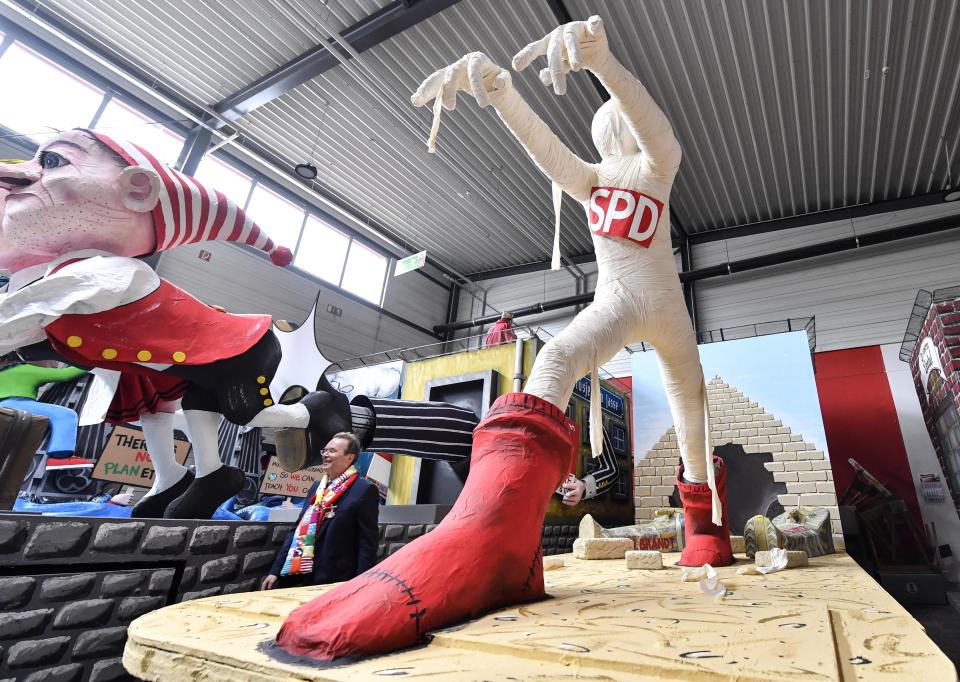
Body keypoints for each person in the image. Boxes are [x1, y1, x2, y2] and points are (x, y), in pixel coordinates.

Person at [275, 15, 732, 662]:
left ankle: (704, 524)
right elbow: (545, 148)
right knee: (558, 357)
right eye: (611, 123)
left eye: (616, 123)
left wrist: (603, 61)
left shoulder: (658, 166)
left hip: (663, 307)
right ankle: (495, 534)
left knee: (691, 412)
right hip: (621, 302)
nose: (615, 128)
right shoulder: (594, 181)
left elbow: (652, 122)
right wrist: (497, 90)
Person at [262, 432, 379, 589]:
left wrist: (361, 584)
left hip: (338, 580)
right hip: (301, 574)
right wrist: (275, 571)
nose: (325, 455)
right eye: (324, 451)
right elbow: (296, 530)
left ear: (349, 458)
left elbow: (367, 542)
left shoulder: (364, 489)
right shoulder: (317, 488)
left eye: (332, 451)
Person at [0, 354, 87, 458]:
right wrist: (94, 365)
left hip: (4, 408)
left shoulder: (5, 372)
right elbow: (65, 375)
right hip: (17, 404)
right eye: (54, 360)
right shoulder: (26, 369)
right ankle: (60, 455)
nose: (56, 364)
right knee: (65, 415)